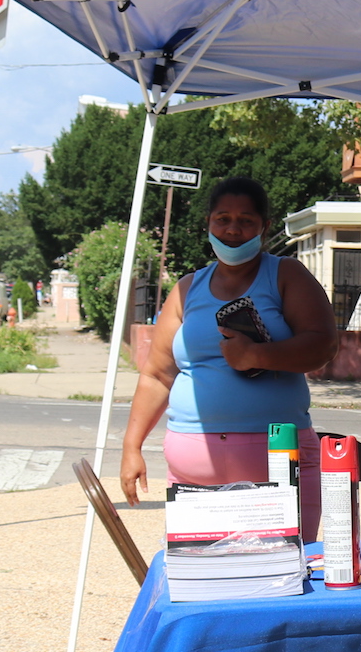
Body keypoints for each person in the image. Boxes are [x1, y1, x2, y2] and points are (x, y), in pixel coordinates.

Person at [120, 176, 339, 539]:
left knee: (283, 580)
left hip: (278, 464)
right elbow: (157, 375)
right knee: (202, 583)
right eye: (223, 219)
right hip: (191, 471)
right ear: (208, 223)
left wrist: (257, 354)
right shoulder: (187, 288)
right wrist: (131, 447)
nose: (233, 229)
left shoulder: (285, 275)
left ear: (264, 227)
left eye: (246, 220)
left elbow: (323, 346)